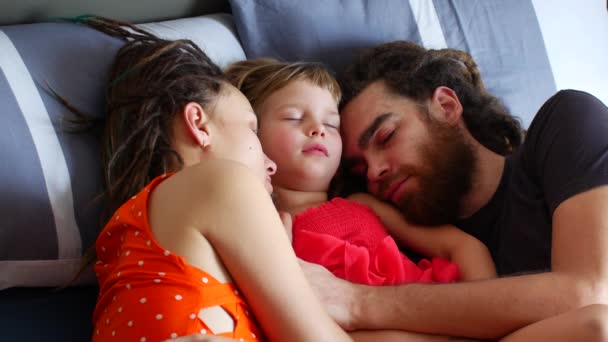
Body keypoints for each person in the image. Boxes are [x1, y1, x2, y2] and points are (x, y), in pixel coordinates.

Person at [299, 40, 608, 340]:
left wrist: (359, 302)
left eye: (387, 136)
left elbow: (588, 295)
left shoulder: (567, 123)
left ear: (446, 107)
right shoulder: (411, 253)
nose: (374, 171)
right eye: (359, 169)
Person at [83, 17, 351, 342]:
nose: (271, 165)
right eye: (253, 129)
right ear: (199, 124)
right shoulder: (221, 180)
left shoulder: (123, 243)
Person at [225, 58, 495, 341]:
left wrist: (487, 318)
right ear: (252, 134)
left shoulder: (362, 204)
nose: (318, 129)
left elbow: (465, 247)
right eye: (294, 117)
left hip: (445, 320)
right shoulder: (260, 227)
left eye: (331, 124)